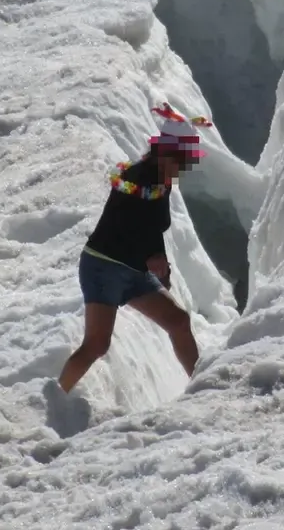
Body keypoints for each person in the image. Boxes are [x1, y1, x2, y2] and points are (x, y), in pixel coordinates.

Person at [55, 104, 206, 394]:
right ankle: (58, 393)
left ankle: (203, 387)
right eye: (183, 159)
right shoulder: (135, 178)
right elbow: (126, 226)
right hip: (104, 266)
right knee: (97, 344)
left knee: (178, 321)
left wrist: (158, 259)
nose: (185, 167)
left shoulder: (161, 179)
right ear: (167, 152)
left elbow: (153, 227)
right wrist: (152, 256)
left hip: (133, 270)